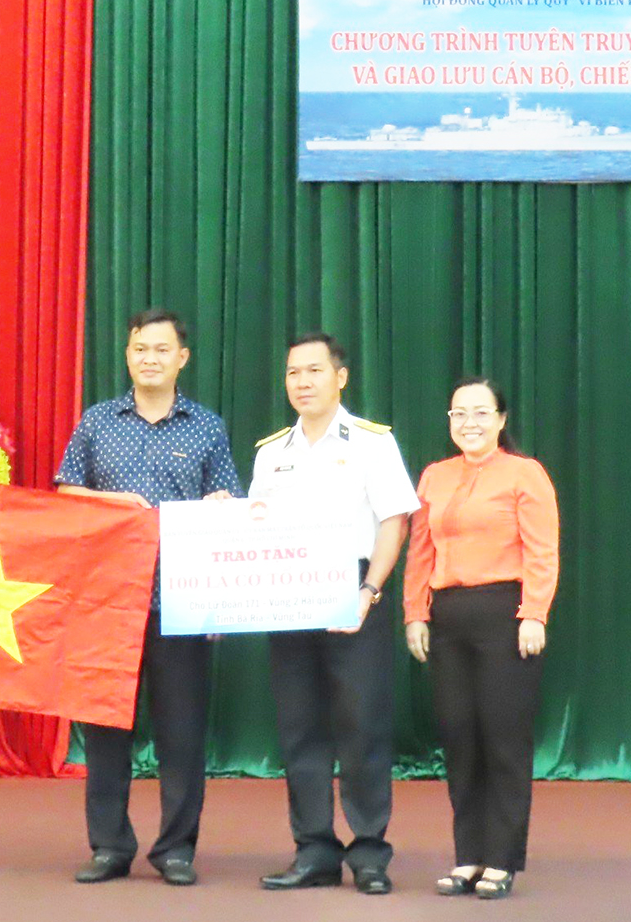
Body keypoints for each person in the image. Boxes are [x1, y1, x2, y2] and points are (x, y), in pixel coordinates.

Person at [54, 309, 240, 886]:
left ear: (182, 358)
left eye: (162, 349)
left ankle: (176, 850)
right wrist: (113, 504)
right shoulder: (97, 421)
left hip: (182, 604)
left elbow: (229, 506)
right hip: (107, 604)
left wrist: (221, 509)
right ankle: (109, 847)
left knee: (182, 736)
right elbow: (65, 495)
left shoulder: (207, 427)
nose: (150, 359)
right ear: (127, 355)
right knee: (106, 734)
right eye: (140, 349)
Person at [249, 332, 419, 895]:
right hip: (287, 598)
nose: (303, 382)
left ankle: (369, 854)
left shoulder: (371, 443)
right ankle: (314, 851)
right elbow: (254, 528)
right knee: (300, 729)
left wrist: (369, 591)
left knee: (361, 726)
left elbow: (395, 521)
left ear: (340, 378)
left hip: (354, 592)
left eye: (314, 371)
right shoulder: (271, 452)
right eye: (293, 372)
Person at [403, 378, 560, 901]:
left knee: (503, 739)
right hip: (447, 617)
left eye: (480, 413)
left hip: (505, 614)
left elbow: (542, 551)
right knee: (459, 737)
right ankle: (467, 855)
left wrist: (534, 613)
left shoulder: (525, 473)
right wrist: (415, 614)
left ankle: (501, 859)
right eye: (459, 414)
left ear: (501, 419)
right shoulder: (435, 475)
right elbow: (420, 553)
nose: (468, 423)